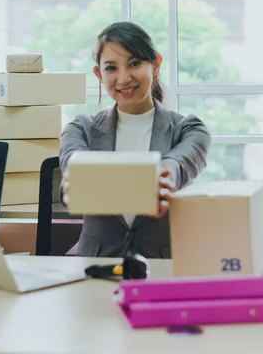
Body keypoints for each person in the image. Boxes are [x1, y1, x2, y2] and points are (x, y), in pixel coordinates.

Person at [59, 21, 211, 258]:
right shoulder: (81, 128)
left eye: (135, 63)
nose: (123, 78)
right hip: (95, 268)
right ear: (98, 74)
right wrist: (73, 184)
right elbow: (72, 164)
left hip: (162, 269)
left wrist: (162, 179)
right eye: (111, 68)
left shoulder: (189, 130)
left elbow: (177, 164)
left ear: (156, 64)